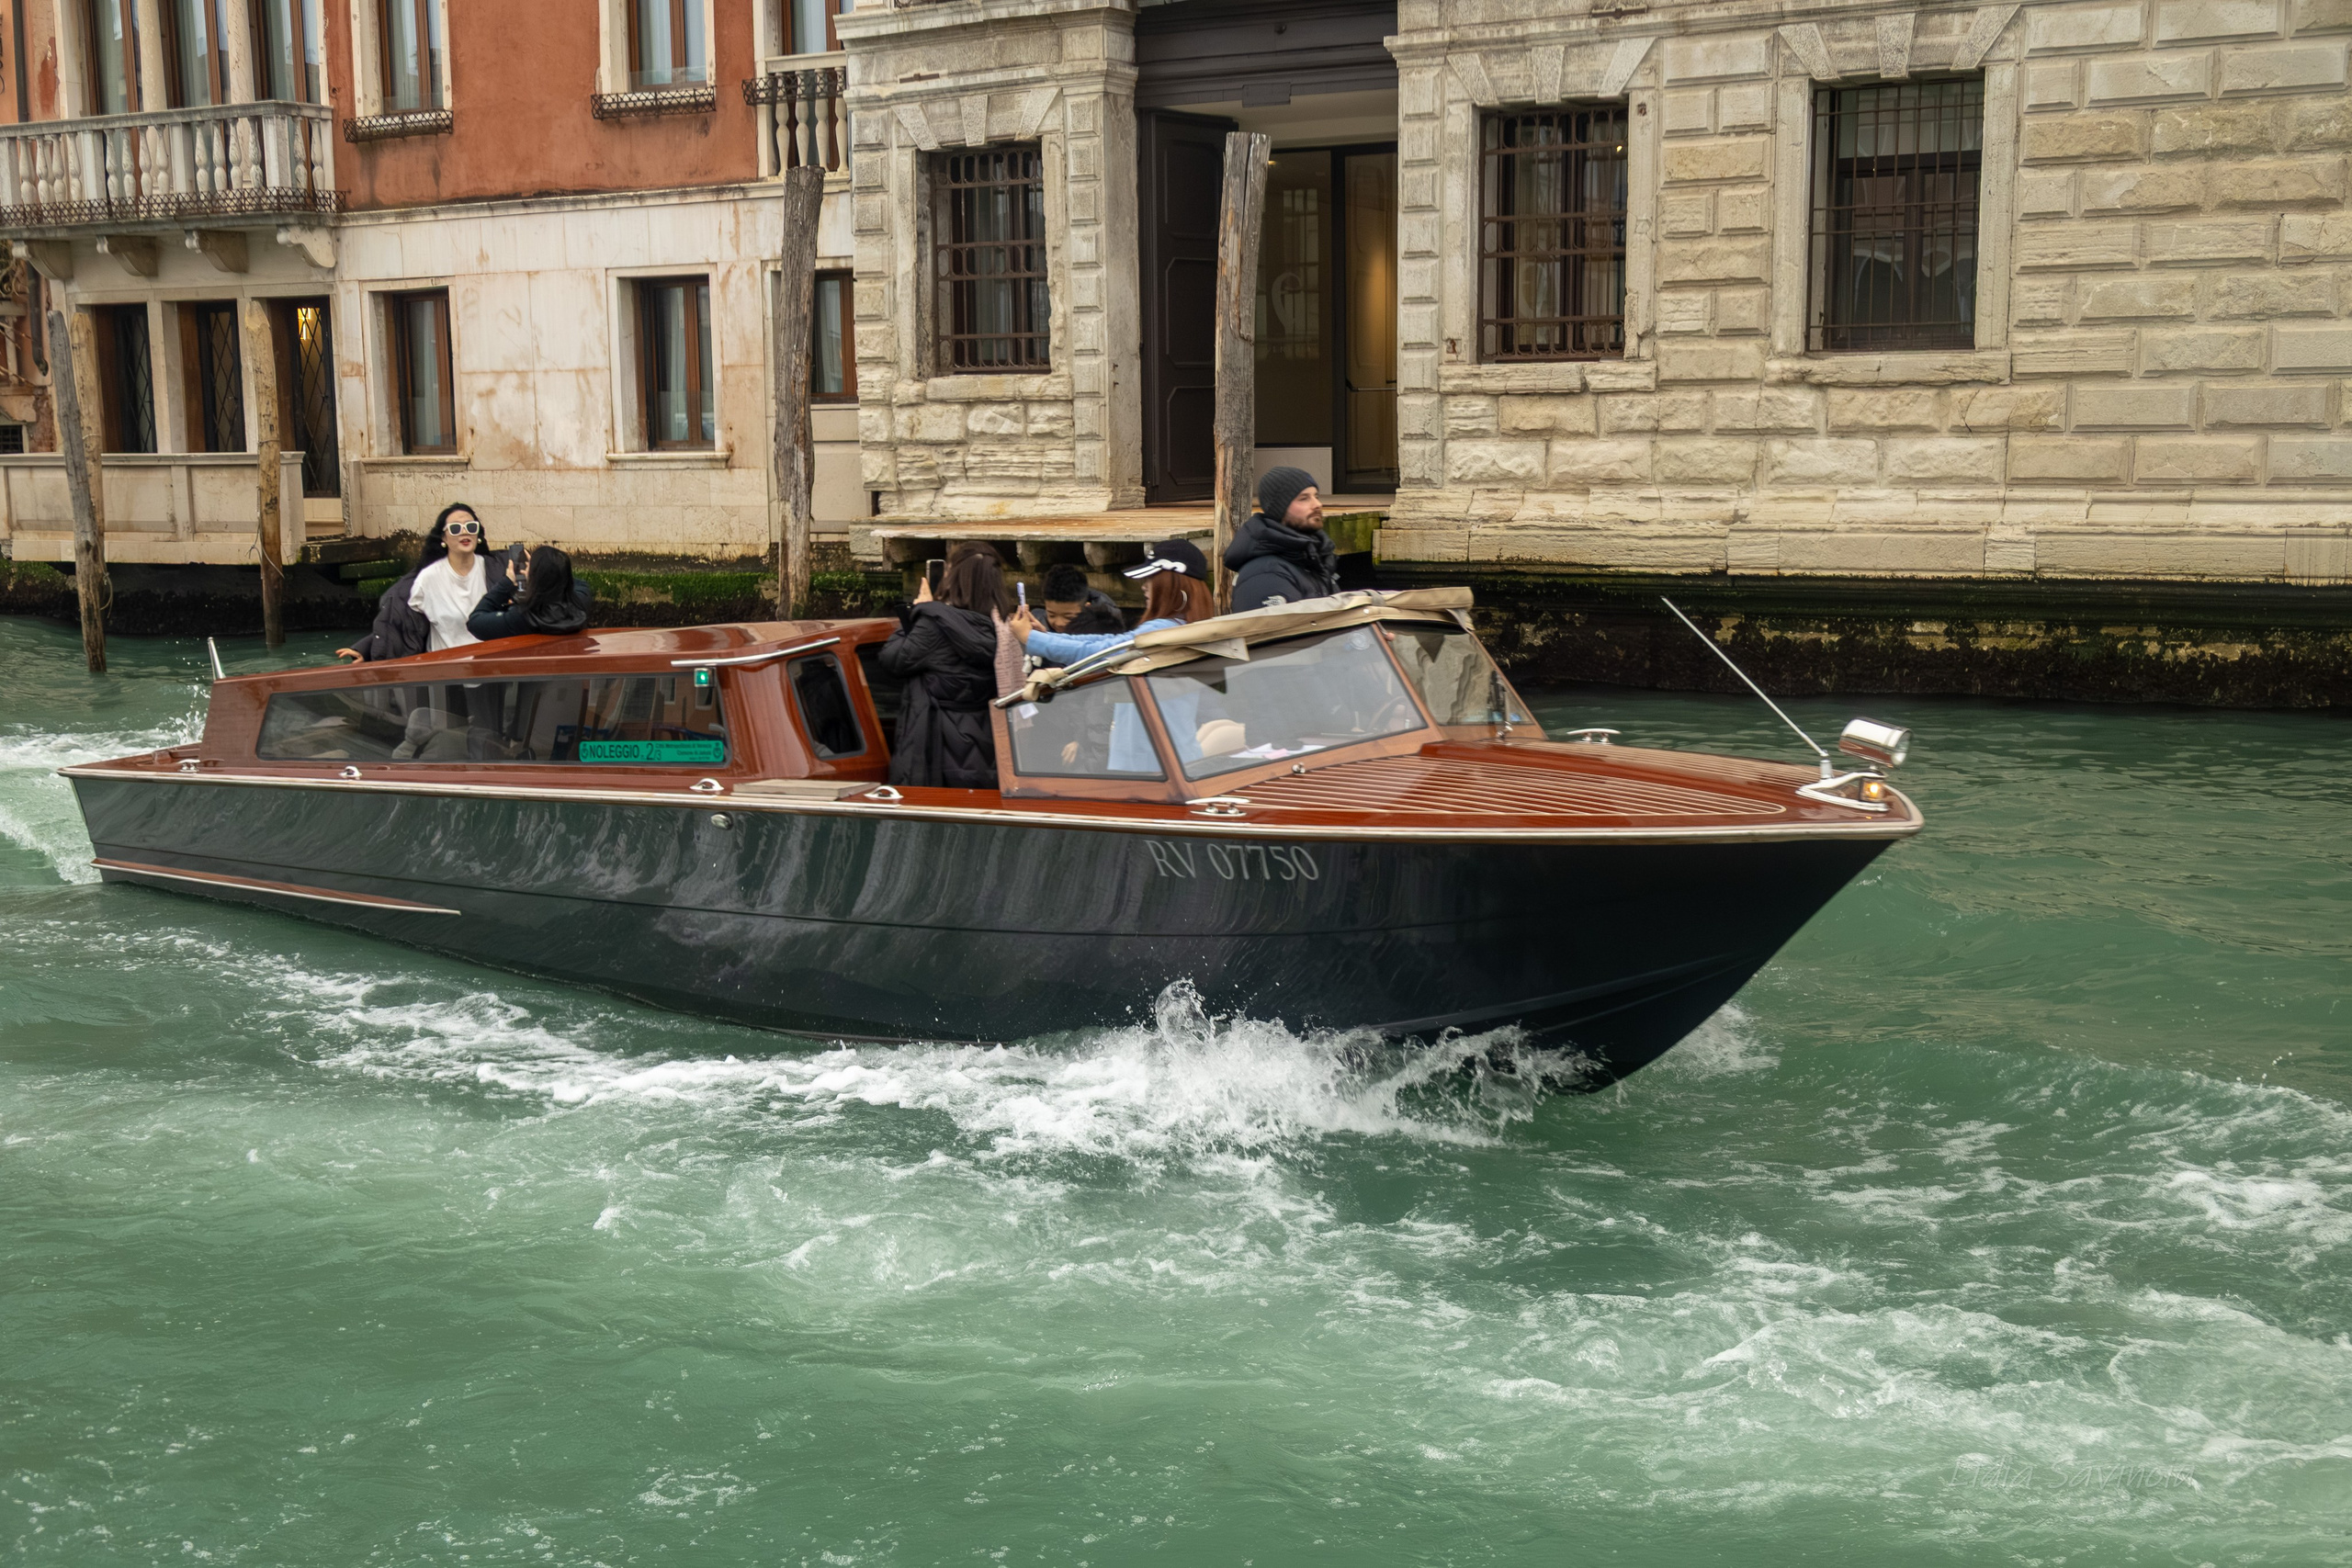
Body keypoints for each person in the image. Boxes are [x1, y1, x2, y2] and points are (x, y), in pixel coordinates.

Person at [876, 545, 1010, 789]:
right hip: (987, 745)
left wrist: (917, 612)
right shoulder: (1005, 627)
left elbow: (891, 659)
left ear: (955, 577)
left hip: (936, 750)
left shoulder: (934, 625)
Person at [335, 503, 501, 662]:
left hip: (490, 669)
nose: (464, 532)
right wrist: (365, 650)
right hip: (448, 675)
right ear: (443, 538)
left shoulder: (497, 570)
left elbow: (515, 616)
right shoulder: (427, 579)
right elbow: (400, 624)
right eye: (456, 528)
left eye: (471, 527)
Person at [1010, 538, 1214, 666]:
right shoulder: (1182, 625)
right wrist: (1045, 637)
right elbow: (1105, 643)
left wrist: (1031, 638)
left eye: (1151, 581)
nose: (1144, 587)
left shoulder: (1162, 630)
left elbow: (1097, 652)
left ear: (1172, 587)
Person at [1225, 466, 1339, 611]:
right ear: (1279, 508)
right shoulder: (1265, 574)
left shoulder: (1314, 559)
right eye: (1304, 498)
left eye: (1316, 496)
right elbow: (1272, 631)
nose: (1317, 505)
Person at [467, 545, 593, 642]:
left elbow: (475, 622)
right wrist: (548, 570)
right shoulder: (580, 603)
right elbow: (578, 583)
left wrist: (508, 581)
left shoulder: (520, 618)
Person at [1039, 563, 1125, 636]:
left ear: (1088, 608)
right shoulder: (1039, 622)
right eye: (1051, 615)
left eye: (1068, 617)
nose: (1059, 623)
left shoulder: (1108, 625)